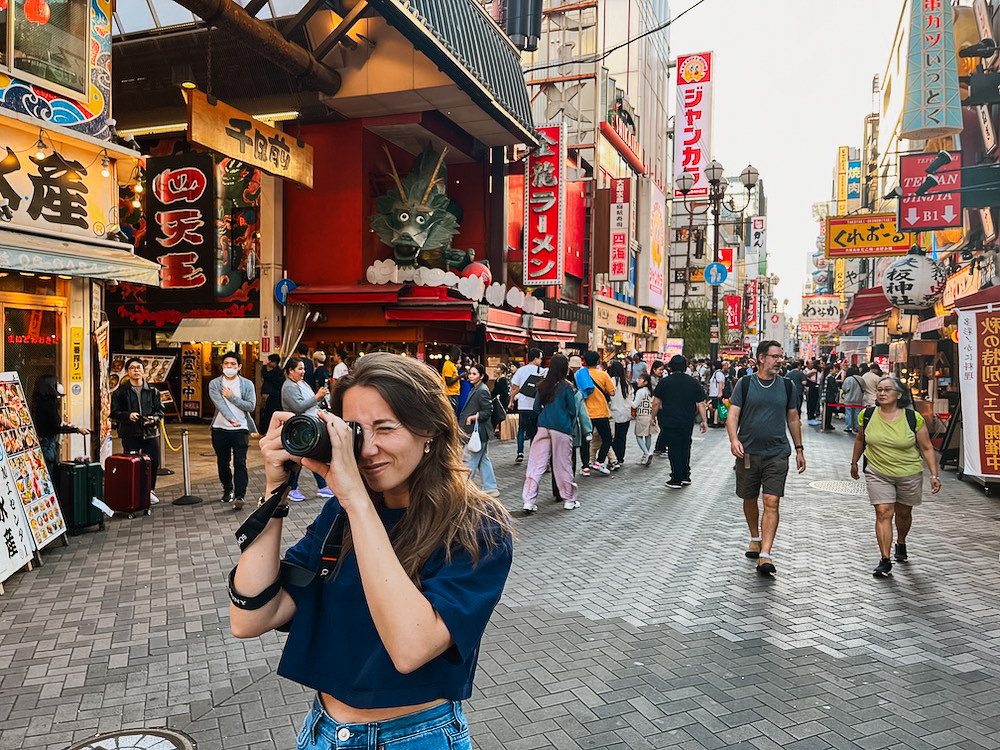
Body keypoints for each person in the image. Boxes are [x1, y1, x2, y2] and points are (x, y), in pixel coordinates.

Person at [230, 352, 513, 749]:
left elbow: (410, 647)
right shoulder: (339, 514)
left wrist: (356, 501)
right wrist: (275, 492)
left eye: (385, 427)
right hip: (322, 731)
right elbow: (252, 617)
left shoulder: (476, 526)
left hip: (416, 736)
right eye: (355, 431)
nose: (366, 450)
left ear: (428, 429)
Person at [726, 340, 805, 576]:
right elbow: (733, 415)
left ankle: (765, 555)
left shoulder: (788, 386)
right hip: (748, 452)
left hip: (777, 453)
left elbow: (793, 418)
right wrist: (734, 439)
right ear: (761, 358)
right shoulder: (746, 383)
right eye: (775, 356)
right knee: (749, 498)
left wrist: (799, 449)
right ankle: (755, 537)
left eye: (782, 356)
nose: (780, 360)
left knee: (772, 501)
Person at [850, 376, 940, 578]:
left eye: (887, 389)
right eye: (879, 389)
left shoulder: (912, 417)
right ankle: (885, 558)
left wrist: (934, 474)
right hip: (877, 472)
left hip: (908, 473)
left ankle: (901, 542)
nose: (881, 393)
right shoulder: (867, 415)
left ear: (898, 395)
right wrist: (854, 462)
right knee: (883, 512)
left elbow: (926, 448)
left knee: (904, 513)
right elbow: (859, 440)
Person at [522, 353, 579, 511]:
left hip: (543, 426)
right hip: (561, 427)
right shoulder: (567, 387)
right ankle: (568, 499)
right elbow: (572, 411)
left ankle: (529, 500)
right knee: (562, 464)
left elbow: (535, 408)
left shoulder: (542, 385)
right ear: (565, 368)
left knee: (536, 464)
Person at [110, 358, 164, 504]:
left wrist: (153, 419)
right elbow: (114, 413)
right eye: (132, 368)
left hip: (150, 432)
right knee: (131, 463)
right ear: (127, 372)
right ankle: (132, 491)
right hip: (130, 432)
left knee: (152, 462)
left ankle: (149, 491)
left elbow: (160, 411)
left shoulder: (153, 391)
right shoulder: (120, 392)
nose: (136, 371)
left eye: (138, 368)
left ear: (143, 370)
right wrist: (128, 416)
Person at [650, 355, 708, 489]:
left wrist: (652, 417)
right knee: (685, 446)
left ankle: (676, 478)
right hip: (687, 420)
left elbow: (656, 403)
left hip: (669, 420)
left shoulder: (665, 382)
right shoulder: (693, 382)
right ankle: (685, 475)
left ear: (670, 367)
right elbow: (701, 403)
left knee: (674, 448)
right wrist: (704, 421)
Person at [209, 352, 257, 510]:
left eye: (233, 364)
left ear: (239, 367)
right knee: (223, 462)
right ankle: (227, 489)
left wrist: (231, 397)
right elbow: (219, 404)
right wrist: (230, 418)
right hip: (220, 428)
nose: (229, 367)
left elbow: (251, 406)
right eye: (226, 364)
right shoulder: (215, 384)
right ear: (222, 366)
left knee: (240, 462)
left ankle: (239, 495)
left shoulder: (247, 384)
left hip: (241, 428)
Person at [281, 357, 333, 502]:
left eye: (304, 369)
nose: (303, 372)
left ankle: (320, 486)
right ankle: (295, 488)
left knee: (308, 456)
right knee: (302, 458)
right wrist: (317, 396)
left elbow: (311, 402)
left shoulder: (302, 383)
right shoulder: (289, 387)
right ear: (291, 371)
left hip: (309, 425)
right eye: (300, 369)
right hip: (298, 427)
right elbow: (298, 407)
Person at [31, 375, 90, 481]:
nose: (58, 386)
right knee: (49, 475)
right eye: (56, 383)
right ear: (50, 386)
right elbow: (55, 428)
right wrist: (77, 430)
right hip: (47, 443)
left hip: (39, 441)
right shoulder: (49, 404)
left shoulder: (37, 402)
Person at [459, 362, 499, 497]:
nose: (471, 376)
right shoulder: (477, 388)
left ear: (481, 376)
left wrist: (473, 417)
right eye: (470, 373)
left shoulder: (481, 390)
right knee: (483, 460)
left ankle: (463, 487)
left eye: (474, 374)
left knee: (469, 460)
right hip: (479, 431)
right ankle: (490, 487)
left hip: (478, 432)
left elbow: (488, 411)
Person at [576, 351, 616, 475]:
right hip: (601, 413)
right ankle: (599, 461)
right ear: (598, 361)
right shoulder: (603, 375)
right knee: (607, 438)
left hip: (585, 413)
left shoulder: (579, 374)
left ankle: (585, 467)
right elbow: (612, 392)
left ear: (585, 361)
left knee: (585, 441)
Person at [508, 348, 545, 463]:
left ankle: (520, 452)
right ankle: (534, 455)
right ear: (535, 359)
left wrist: (511, 401)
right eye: (540, 358)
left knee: (522, 429)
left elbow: (515, 388)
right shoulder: (542, 371)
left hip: (523, 405)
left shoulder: (521, 370)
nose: (541, 361)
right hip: (536, 405)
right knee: (535, 431)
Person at [606, 360, 631, 471]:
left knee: (611, 437)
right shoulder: (626, 383)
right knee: (622, 437)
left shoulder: (609, 381)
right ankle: (620, 458)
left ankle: (613, 459)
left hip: (613, 413)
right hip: (625, 413)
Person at [631, 372, 657, 465]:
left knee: (638, 436)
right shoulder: (650, 391)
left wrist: (628, 400)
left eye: (640, 379)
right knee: (648, 436)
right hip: (650, 415)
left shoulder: (640, 392)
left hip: (642, 416)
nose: (637, 381)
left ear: (645, 382)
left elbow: (634, 405)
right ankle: (645, 455)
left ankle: (646, 453)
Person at [260, 354, 284, 430]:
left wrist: (264, 365)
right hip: (276, 395)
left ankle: (265, 430)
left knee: (268, 413)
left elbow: (265, 375)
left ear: (274, 362)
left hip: (273, 396)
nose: (268, 363)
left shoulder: (275, 372)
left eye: (270, 361)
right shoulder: (279, 371)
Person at [840, 365, 865, 433]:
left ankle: (849, 427)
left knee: (848, 413)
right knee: (857, 413)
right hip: (858, 399)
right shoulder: (861, 379)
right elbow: (864, 388)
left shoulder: (848, 379)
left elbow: (844, 389)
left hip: (849, 399)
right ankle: (857, 427)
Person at [441, 348, 462, 417]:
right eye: (458, 356)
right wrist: (460, 376)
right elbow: (448, 382)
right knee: (452, 415)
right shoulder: (448, 365)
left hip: (454, 393)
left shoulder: (452, 365)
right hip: (450, 394)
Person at [821, 363, 841, 432]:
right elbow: (835, 388)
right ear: (831, 370)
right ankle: (828, 424)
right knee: (829, 412)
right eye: (834, 369)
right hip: (830, 397)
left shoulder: (825, 377)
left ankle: (826, 424)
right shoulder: (830, 378)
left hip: (825, 397)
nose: (835, 371)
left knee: (827, 411)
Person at [707, 360, 726, 428]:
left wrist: (720, 393)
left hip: (715, 393)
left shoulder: (718, 373)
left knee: (716, 407)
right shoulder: (717, 373)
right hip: (714, 393)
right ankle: (717, 421)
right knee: (714, 407)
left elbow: (720, 383)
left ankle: (716, 421)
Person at [804, 359, 821, 425]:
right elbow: (804, 375)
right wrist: (811, 380)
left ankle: (812, 415)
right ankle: (810, 415)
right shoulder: (813, 371)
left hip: (816, 387)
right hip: (812, 388)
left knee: (815, 402)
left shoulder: (819, 371)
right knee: (811, 401)